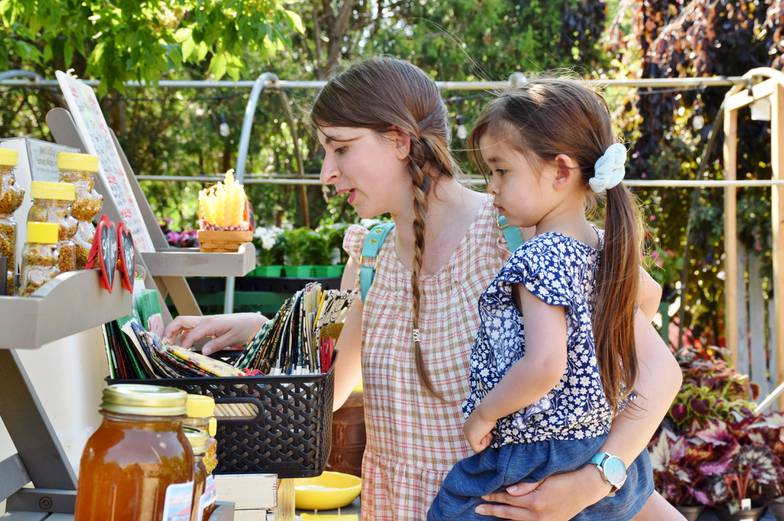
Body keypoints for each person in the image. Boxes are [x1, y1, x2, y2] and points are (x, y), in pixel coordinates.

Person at [164, 58, 683, 521]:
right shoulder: (369, 255)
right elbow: (338, 382)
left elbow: (654, 361)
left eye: (341, 148)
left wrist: (594, 482)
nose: (327, 173)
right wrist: (263, 331)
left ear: (399, 139)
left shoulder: (519, 234)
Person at [427, 79, 681, 520]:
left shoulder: (541, 255)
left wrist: (484, 415)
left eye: (502, 171)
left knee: (455, 509)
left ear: (562, 172)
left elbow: (544, 365)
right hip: (596, 444)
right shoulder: (600, 247)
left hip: (538, 456)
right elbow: (649, 298)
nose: (492, 187)